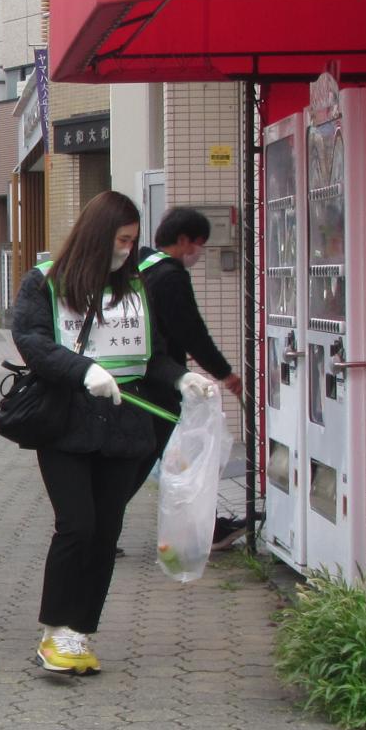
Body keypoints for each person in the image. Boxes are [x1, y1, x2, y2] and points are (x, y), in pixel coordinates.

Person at [11, 190, 213, 676]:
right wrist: (83, 371)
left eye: (133, 240)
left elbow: (155, 353)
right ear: (99, 235)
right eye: (122, 239)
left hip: (126, 425)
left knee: (106, 530)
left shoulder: (137, 287)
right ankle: (54, 629)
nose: (128, 249)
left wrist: (180, 378)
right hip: (67, 421)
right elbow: (31, 340)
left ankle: (80, 632)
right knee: (76, 524)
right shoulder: (46, 283)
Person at [140, 207, 249, 549]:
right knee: (176, 457)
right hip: (162, 380)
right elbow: (190, 331)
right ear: (183, 240)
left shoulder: (142, 267)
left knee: (156, 456)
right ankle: (202, 530)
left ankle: (203, 526)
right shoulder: (170, 276)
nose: (199, 253)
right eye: (199, 245)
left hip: (139, 376)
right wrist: (223, 372)